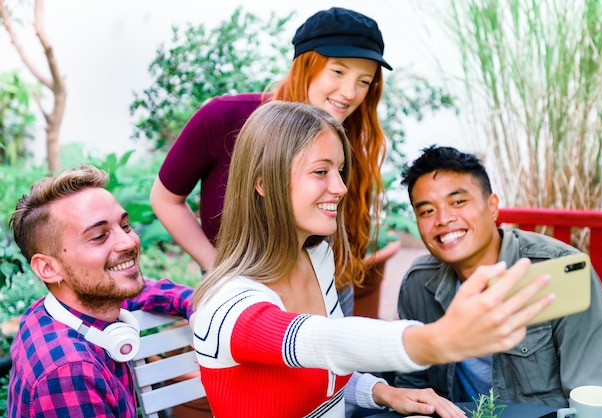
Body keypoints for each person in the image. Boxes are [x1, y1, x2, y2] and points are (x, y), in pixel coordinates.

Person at [191, 101, 554, 418]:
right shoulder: (226, 307)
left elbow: (324, 370)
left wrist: (384, 393)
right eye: (321, 172)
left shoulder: (315, 257)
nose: (341, 186)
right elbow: (324, 341)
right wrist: (437, 340)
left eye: (339, 170)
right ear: (263, 183)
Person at [150, 7, 394, 317]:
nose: (349, 92)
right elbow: (165, 198)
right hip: (236, 289)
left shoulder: (349, 134)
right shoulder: (224, 117)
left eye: (364, 81)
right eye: (338, 71)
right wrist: (219, 272)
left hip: (322, 288)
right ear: (306, 65)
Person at [394, 145, 602, 415]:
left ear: (492, 206)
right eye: (426, 211)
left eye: (458, 202)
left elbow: (599, 399)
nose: (443, 219)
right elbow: (412, 388)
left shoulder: (560, 273)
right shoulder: (417, 283)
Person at [6, 165, 195, 418]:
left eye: (125, 226)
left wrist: (198, 307)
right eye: (99, 236)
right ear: (49, 268)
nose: (129, 242)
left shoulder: (72, 304)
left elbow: (147, 290)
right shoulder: (69, 371)